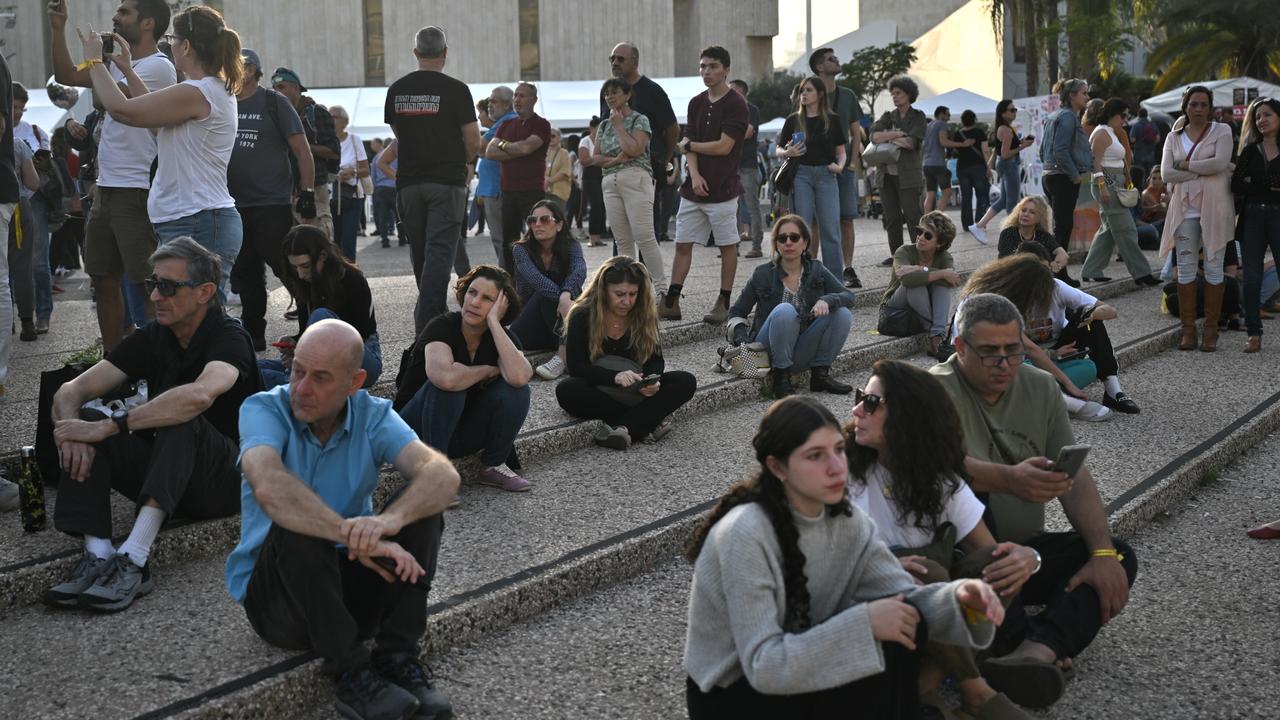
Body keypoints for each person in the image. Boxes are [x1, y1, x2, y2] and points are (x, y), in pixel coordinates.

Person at [683, 395, 1005, 718]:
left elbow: (906, 597)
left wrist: (963, 602)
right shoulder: (746, 533)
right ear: (777, 467)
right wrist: (864, 623)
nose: (836, 467)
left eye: (838, 449)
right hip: (733, 696)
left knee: (902, 621)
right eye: (815, 456)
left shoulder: (847, 522)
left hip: (799, 667)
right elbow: (764, 666)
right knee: (878, 633)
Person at [227, 319, 458, 720]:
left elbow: (443, 475)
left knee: (422, 509)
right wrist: (351, 535)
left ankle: (398, 658)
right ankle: (353, 677)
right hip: (279, 603)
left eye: (320, 378)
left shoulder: (372, 414)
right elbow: (269, 484)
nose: (301, 388)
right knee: (297, 523)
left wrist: (387, 525)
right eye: (297, 370)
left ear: (355, 382)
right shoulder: (263, 408)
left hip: (350, 583)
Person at [929, 293, 1138, 709]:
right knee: (977, 500)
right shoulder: (933, 389)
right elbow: (943, 469)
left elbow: (1073, 477)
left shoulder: (1040, 385)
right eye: (990, 353)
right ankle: (1015, 649)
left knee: (1117, 556)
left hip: (1026, 553)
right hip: (965, 559)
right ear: (960, 347)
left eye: (1014, 350)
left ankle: (1036, 648)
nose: (1004, 363)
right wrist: (1008, 479)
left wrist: (1099, 553)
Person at [47, 238, 260, 612]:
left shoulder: (230, 337)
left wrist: (112, 427)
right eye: (152, 285)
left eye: (167, 286)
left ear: (204, 292)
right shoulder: (154, 336)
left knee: (179, 413)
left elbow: (199, 396)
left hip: (226, 480)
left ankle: (135, 557)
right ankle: (98, 552)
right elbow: (71, 390)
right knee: (89, 417)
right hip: (172, 473)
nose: (155, 296)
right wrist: (70, 432)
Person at [846, 360, 1038, 718]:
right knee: (927, 573)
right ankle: (975, 688)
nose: (857, 409)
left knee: (1000, 563)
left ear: (907, 417)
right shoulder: (844, 472)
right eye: (861, 398)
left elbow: (988, 550)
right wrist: (879, 568)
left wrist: (1029, 558)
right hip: (872, 611)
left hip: (932, 616)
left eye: (871, 402)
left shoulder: (940, 481)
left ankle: (928, 684)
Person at [78, 5, 243, 300]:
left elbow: (122, 110)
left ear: (187, 46)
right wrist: (128, 69)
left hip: (198, 219)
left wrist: (94, 62)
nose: (170, 45)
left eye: (172, 39)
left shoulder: (198, 91)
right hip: (195, 217)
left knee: (197, 325)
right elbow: (154, 123)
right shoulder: (203, 90)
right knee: (191, 325)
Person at [48, 0, 176, 352]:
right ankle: (115, 360)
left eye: (125, 13)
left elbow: (113, 104)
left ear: (148, 23)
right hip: (105, 189)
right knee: (103, 280)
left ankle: (157, 364)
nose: (115, 18)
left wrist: (96, 62)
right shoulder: (115, 65)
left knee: (146, 284)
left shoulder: (158, 67)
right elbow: (64, 76)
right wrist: (58, 28)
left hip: (136, 191)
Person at [395, 265, 533, 493]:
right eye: (472, 292)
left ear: (501, 307)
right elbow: (445, 378)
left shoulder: (500, 336)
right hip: (413, 432)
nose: (475, 302)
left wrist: (495, 324)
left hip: (459, 432)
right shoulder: (442, 325)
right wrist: (486, 371)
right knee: (450, 387)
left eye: (487, 298)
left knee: (517, 391)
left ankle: (493, 465)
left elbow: (520, 377)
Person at [383, 26, 482, 335]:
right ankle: (429, 327)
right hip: (446, 181)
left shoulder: (397, 90)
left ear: (415, 53)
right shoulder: (457, 90)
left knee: (421, 252)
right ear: (445, 53)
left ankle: (433, 316)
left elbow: (399, 136)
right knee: (440, 252)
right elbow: (474, 142)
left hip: (410, 183)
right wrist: (460, 162)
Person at [963, 249, 1138, 419]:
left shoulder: (1055, 286)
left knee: (1089, 367)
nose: (1046, 290)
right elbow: (1029, 350)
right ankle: (1057, 399)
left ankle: (1110, 390)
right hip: (1015, 358)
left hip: (1052, 352)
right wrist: (1057, 364)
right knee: (1020, 370)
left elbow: (1110, 311)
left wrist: (1091, 315)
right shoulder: (1003, 301)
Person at [557, 256, 697, 450]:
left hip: (637, 388)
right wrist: (615, 377)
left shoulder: (643, 314)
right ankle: (647, 422)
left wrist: (651, 380)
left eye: (633, 294)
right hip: (602, 386)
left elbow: (655, 359)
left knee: (685, 381)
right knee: (567, 390)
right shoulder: (582, 315)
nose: (627, 301)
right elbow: (576, 366)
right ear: (604, 291)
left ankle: (625, 428)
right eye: (620, 294)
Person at [228, 48, 316, 351]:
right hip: (232, 204)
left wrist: (307, 194)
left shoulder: (272, 101)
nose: (236, 68)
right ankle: (253, 332)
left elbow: (302, 150)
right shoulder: (222, 102)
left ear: (254, 70)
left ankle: (309, 328)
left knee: (288, 268)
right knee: (246, 272)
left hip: (270, 203)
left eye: (242, 64)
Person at [660, 46, 749, 325]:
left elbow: (724, 146)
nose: (706, 72)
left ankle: (724, 300)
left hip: (723, 189)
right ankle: (672, 300)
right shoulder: (696, 102)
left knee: (727, 246)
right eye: (702, 66)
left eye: (712, 66)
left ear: (726, 69)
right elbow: (690, 145)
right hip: (693, 188)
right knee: (682, 244)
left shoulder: (736, 103)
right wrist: (694, 174)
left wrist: (689, 146)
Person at [728, 214, 855, 399]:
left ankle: (820, 375)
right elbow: (736, 312)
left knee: (842, 313)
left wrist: (827, 300)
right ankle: (781, 378)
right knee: (785, 310)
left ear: (804, 243)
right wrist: (742, 340)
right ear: (777, 244)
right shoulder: (762, 273)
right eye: (782, 238)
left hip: (801, 349)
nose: (788, 242)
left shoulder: (817, 269)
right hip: (768, 351)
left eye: (794, 238)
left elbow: (848, 296)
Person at [1160, 85, 1236, 352]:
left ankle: (1211, 330)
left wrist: (1186, 166)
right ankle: (1188, 329)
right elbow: (1167, 173)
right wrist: (1203, 171)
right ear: (1186, 106)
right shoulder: (1173, 137)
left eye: (1204, 104)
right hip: (1184, 208)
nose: (1199, 109)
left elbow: (1221, 162)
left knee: (1215, 266)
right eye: (1194, 104)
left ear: (1211, 107)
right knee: (1186, 266)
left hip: (1215, 207)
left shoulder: (1222, 130)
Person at [260, 225, 382, 389]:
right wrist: (295, 343)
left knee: (321, 317)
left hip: (360, 360)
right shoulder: (303, 283)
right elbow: (307, 332)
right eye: (295, 267)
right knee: (251, 368)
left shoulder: (352, 279)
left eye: (305, 266)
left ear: (323, 256)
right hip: (320, 366)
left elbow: (359, 335)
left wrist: (305, 355)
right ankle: (294, 382)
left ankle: (294, 383)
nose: (301, 274)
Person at [603, 42, 680, 243]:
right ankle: (620, 275)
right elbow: (603, 130)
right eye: (612, 58)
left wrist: (664, 160)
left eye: (620, 59)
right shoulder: (608, 92)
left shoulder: (652, 91)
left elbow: (672, 130)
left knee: (646, 235)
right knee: (620, 237)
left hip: (645, 172)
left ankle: (647, 275)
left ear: (635, 61)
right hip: (614, 172)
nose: (615, 62)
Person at [597, 77, 668, 297]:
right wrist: (617, 160)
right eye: (607, 93)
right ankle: (629, 290)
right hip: (610, 182)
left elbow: (636, 150)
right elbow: (594, 157)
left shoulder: (639, 119)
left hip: (636, 179)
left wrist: (619, 127)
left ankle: (661, 291)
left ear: (628, 95)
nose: (609, 97)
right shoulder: (603, 124)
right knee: (623, 241)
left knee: (644, 236)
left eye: (615, 92)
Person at [1079, 98, 1159, 287]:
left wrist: (1126, 179)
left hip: (1115, 182)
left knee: (1108, 231)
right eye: (1123, 115)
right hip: (1107, 182)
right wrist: (1103, 186)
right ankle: (1142, 273)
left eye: (1127, 115)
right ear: (1112, 114)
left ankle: (1091, 270)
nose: (1125, 119)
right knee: (1127, 229)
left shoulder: (1110, 132)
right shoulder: (1101, 133)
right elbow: (1096, 162)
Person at [777, 76, 847, 278]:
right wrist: (787, 152)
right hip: (801, 174)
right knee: (801, 228)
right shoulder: (793, 120)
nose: (803, 94)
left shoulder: (831, 119)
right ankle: (803, 279)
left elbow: (841, 151)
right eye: (801, 91)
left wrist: (839, 166)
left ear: (820, 94)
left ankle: (836, 282)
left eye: (808, 90)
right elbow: (779, 149)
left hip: (826, 174)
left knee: (831, 231)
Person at [808, 47, 865, 288]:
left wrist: (852, 164)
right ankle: (810, 267)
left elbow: (855, 132)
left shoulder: (848, 95)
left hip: (843, 168)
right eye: (832, 59)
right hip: (816, 167)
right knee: (815, 221)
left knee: (845, 218)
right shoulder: (808, 91)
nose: (837, 60)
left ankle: (847, 268)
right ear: (820, 67)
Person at [511, 200, 586, 380]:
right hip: (529, 326)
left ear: (559, 224)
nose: (537, 224)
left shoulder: (572, 246)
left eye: (544, 219)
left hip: (558, 323)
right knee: (547, 293)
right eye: (532, 220)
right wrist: (565, 298)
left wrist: (567, 294)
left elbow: (580, 270)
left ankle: (562, 355)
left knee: (573, 288)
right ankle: (563, 357)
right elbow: (537, 282)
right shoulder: (521, 250)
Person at [1232, 96, 1280, 353]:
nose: (1261, 120)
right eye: (1258, 116)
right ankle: (1253, 332)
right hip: (1252, 217)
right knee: (1252, 277)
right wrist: (1267, 184)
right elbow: (1237, 185)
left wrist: (1257, 183)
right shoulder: (1250, 151)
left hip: (1278, 216)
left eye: (1267, 115)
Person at [487, 82, 551, 274]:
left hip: (532, 190)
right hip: (508, 191)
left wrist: (505, 146)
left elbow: (526, 147)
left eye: (522, 96)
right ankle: (511, 281)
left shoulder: (541, 124)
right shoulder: (506, 124)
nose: (517, 100)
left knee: (538, 238)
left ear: (534, 100)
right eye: (515, 95)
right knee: (509, 241)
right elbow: (490, 152)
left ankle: (540, 278)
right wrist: (517, 149)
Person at [271, 67, 340, 241]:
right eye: (274, 89)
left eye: (281, 88)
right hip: (285, 188)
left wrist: (301, 145)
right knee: (292, 243)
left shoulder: (316, 113)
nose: (277, 92)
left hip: (315, 186)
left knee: (320, 238)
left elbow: (333, 152)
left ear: (296, 88)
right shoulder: (277, 114)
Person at [879, 211, 961, 355]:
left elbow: (951, 280)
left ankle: (936, 337)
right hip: (896, 309)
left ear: (940, 243)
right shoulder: (904, 251)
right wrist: (941, 272)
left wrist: (919, 268)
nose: (920, 237)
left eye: (928, 235)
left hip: (921, 308)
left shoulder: (944, 257)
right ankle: (938, 334)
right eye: (919, 231)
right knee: (915, 283)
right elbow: (907, 280)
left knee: (940, 285)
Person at [869, 75, 927, 265]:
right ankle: (897, 256)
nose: (894, 96)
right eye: (892, 93)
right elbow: (874, 137)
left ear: (909, 94)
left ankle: (917, 254)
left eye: (898, 93)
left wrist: (889, 138)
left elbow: (912, 143)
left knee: (913, 217)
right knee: (892, 219)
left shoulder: (917, 117)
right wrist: (898, 134)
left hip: (909, 175)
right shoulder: (888, 116)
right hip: (886, 176)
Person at [1038, 80, 1093, 264]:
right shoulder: (1068, 117)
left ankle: (1058, 271)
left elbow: (1042, 150)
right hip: (1062, 177)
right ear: (1071, 96)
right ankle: (1057, 273)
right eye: (1084, 93)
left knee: (1061, 226)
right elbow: (1060, 150)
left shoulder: (1054, 116)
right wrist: (1074, 175)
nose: (1087, 97)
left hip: (1050, 175)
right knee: (1063, 227)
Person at [971, 100, 1034, 244]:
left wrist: (1020, 143)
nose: (1014, 112)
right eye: (1011, 110)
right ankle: (1013, 236)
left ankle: (979, 226)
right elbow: (1005, 154)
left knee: (1004, 200)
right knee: (1012, 202)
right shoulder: (1005, 129)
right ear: (1003, 113)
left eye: (1015, 110)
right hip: (1009, 165)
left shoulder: (1005, 128)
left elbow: (1001, 150)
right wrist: (1023, 146)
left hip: (1006, 165)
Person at [477, 86, 516, 256]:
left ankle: (508, 277)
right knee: (501, 240)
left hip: (497, 190)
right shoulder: (503, 122)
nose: (489, 105)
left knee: (502, 240)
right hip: (494, 189)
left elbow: (481, 147)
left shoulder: (507, 121)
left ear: (507, 105)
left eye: (493, 101)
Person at [328, 105, 369, 261]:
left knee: (348, 240)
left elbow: (366, 169)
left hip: (352, 195)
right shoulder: (326, 142)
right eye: (329, 116)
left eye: (334, 117)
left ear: (344, 121)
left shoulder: (354, 140)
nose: (331, 120)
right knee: (334, 241)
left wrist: (353, 172)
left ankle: (350, 274)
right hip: (331, 196)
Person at [730, 79, 765, 258]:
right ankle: (732, 246)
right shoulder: (727, 110)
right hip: (731, 164)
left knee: (752, 205)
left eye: (733, 89)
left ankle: (757, 245)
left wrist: (726, 138)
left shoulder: (751, 109)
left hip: (747, 165)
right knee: (731, 207)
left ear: (741, 91)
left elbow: (748, 132)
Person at [921, 106, 968, 214]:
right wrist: (962, 144)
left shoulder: (928, 126)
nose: (949, 117)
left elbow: (923, 146)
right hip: (937, 163)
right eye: (948, 114)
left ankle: (926, 219)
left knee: (930, 193)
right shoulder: (941, 124)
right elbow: (944, 142)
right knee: (947, 191)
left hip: (927, 163)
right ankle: (936, 216)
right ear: (941, 114)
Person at [953, 109, 991, 234]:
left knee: (966, 197)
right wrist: (989, 167)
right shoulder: (979, 132)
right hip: (978, 167)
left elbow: (955, 151)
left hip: (962, 168)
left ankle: (967, 225)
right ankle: (979, 222)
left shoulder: (957, 134)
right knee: (982, 194)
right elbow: (985, 150)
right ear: (974, 119)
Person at [578, 116, 607, 247]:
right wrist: (599, 159)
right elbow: (584, 160)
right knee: (595, 206)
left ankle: (599, 235)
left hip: (602, 174)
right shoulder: (585, 141)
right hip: (590, 176)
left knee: (602, 206)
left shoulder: (604, 140)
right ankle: (592, 236)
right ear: (592, 128)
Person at [370, 138, 398, 247]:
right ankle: (402, 239)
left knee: (382, 216)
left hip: (380, 189)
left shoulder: (377, 157)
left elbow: (373, 176)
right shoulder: (397, 156)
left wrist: (374, 190)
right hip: (394, 187)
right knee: (398, 215)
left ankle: (385, 241)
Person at [1129, 107, 1161, 189]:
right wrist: (1152, 144)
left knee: (1139, 173)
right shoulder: (1152, 124)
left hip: (1139, 153)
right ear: (1147, 115)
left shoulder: (1135, 125)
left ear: (1138, 116)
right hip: (1150, 152)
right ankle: (1150, 188)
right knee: (1151, 172)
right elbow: (1158, 138)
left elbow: (1132, 139)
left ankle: (1141, 189)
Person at [544, 127, 572, 214]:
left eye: (553, 136)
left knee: (558, 217)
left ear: (559, 138)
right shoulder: (544, 152)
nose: (550, 138)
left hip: (559, 192)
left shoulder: (564, 153)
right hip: (544, 191)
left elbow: (565, 172)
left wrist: (548, 181)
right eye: (548, 136)